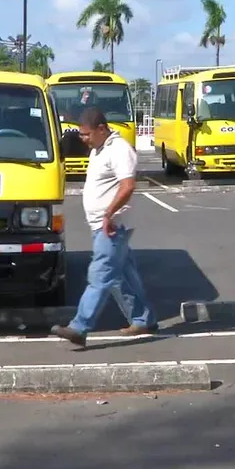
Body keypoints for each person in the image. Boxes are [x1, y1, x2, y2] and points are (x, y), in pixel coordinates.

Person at [51, 107, 158, 347]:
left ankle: (79, 326)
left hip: (112, 226)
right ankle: (143, 319)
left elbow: (127, 186)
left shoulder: (120, 150)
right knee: (121, 277)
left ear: (102, 128)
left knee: (99, 275)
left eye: (86, 134)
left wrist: (109, 214)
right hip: (104, 224)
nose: (83, 139)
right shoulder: (99, 150)